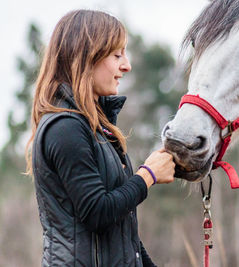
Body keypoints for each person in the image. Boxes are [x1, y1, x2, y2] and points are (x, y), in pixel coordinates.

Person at [25, 9, 175, 267]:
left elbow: (120, 232)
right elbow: (97, 211)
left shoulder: (96, 130)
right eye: (117, 55)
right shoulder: (65, 128)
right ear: (86, 58)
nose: (126, 65)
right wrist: (147, 175)